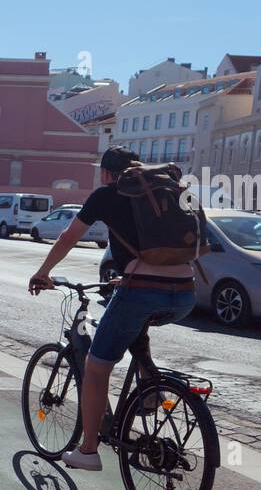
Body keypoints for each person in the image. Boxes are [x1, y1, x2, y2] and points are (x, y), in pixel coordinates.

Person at [28, 146, 197, 471]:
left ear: (106, 172)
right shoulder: (165, 192)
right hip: (185, 293)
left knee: (96, 365)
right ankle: (150, 386)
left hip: (143, 289)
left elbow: (69, 236)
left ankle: (88, 450)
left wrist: (43, 271)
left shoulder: (107, 194)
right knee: (133, 328)